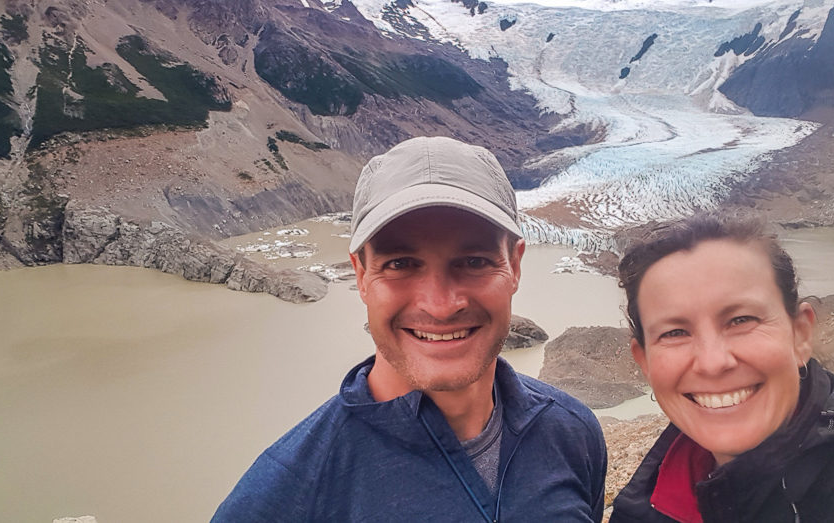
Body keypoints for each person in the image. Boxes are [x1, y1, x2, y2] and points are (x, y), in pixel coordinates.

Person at [213, 135, 606, 522]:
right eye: (400, 264)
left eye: (474, 261)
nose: (440, 304)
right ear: (361, 274)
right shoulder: (285, 497)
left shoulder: (571, 433)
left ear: (515, 266)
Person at [610, 214, 834, 523]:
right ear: (644, 360)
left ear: (800, 335)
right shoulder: (645, 505)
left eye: (741, 320)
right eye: (674, 333)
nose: (713, 362)